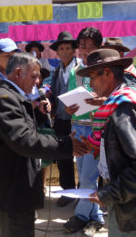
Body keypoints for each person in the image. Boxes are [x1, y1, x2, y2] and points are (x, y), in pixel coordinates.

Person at [0, 52, 89, 237]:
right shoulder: (4, 100)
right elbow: (25, 140)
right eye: (34, 75)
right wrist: (66, 144)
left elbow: (25, 129)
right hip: (11, 191)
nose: (38, 81)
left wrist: (38, 114)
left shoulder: (15, 97)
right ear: (17, 73)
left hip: (18, 188)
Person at [77, 49, 136, 237]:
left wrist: (110, 193)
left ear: (108, 72)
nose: (90, 84)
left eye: (92, 76)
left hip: (132, 203)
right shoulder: (118, 103)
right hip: (125, 199)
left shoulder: (126, 108)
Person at [63, 27, 105, 235]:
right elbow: (71, 99)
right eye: (83, 46)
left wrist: (97, 101)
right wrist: (68, 109)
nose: (86, 51)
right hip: (77, 127)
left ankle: (80, 216)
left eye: (91, 47)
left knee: (89, 176)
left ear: (100, 47)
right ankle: (95, 217)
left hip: (95, 128)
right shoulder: (74, 70)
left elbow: (110, 100)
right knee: (84, 174)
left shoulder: (105, 70)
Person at [50, 31, 81, 207]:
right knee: (63, 157)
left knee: (83, 158)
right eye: (61, 48)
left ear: (74, 50)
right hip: (61, 120)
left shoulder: (81, 70)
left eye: (68, 48)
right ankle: (67, 192)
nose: (65, 51)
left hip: (78, 121)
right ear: (57, 52)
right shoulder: (57, 71)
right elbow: (54, 94)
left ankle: (82, 194)